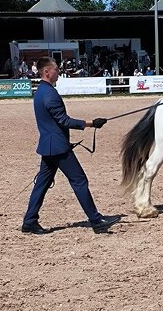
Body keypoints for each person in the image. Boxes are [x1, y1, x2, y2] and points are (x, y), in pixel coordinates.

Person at [22, 57, 119, 235]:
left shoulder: (41, 92)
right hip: (58, 147)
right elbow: (63, 120)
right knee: (79, 180)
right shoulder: (50, 93)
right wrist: (91, 123)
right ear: (46, 72)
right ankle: (97, 221)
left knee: (42, 184)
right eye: (56, 70)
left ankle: (29, 221)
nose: (58, 72)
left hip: (49, 146)